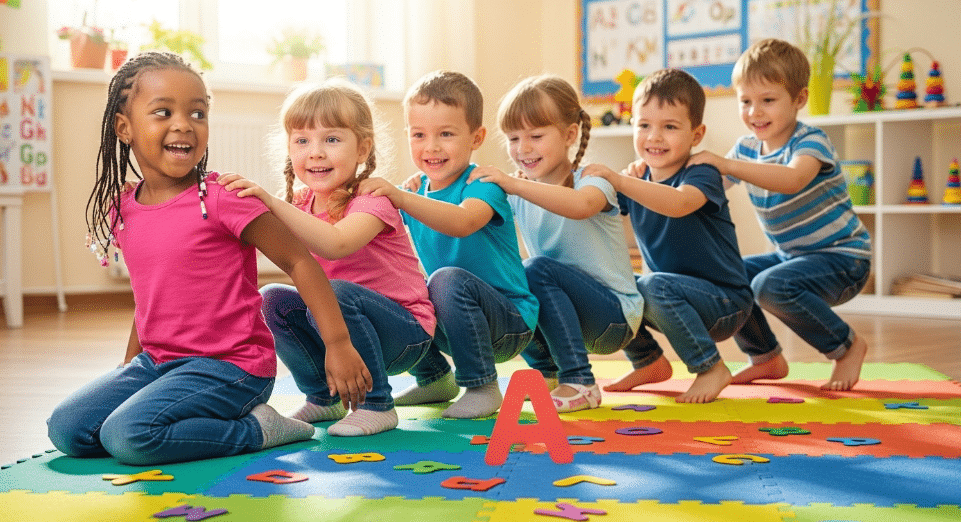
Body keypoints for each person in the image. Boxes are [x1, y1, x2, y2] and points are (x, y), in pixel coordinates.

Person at [47, 52, 371, 466]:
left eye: (197, 113)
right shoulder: (123, 206)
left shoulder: (220, 198)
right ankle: (185, 418)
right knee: (67, 429)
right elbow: (148, 296)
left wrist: (337, 343)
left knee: (127, 436)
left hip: (232, 367)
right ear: (124, 128)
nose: (184, 124)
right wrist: (128, 370)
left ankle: (259, 429)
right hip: (159, 363)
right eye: (163, 112)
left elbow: (298, 261)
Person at [217, 80, 435, 436]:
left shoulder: (372, 199)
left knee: (336, 291)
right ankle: (324, 397)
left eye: (331, 140)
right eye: (302, 141)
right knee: (274, 299)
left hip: (405, 335)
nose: (315, 152)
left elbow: (336, 244)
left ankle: (377, 404)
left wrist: (272, 204)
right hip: (343, 328)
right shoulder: (300, 204)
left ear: (362, 148)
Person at [688, 39, 871, 391]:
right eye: (746, 101)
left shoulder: (810, 142)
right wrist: (655, 174)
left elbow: (793, 179)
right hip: (793, 257)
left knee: (771, 286)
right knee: (730, 276)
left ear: (799, 100)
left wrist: (727, 164)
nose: (754, 112)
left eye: (767, 101)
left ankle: (847, 346)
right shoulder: (745, 149)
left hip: (844, 260)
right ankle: (766, 356)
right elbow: (704, 187)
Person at [359, 70, 539, 419]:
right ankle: (435, 377)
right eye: (419, 135)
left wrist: (401, 197)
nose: (432, 146)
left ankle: (482, 384)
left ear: (476, 137)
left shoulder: (483, 184)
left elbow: (463, 221)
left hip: (508, 323)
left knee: (445, 279)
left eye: (446, 134)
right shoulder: (415, 191)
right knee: (399, 286)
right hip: (451, 324)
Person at [466, 75, 643, 412]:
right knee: (510, 277)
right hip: (568, 317)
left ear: (570, 134)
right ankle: (547, 373)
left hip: (614, 318)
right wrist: (421, 185)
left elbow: (581, 206)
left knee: (536, 270)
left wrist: (513, 186)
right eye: (513, 138)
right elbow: (465, 210)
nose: (523, 148)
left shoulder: (590, 180)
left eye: (536, 136)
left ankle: (580, 381)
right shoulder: (517, 190)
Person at [585, 68, 753, 403]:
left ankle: (710, 368)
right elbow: (595, 217)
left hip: (725, 304)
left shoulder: (700, 172)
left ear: (696, 134)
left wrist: (621, 182)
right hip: (673, 300)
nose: (654, 137)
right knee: (605, 280)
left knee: (653, 284)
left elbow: (678, 204)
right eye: (644, 125)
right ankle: (649, 361)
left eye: (670, 127)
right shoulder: (637, 177)